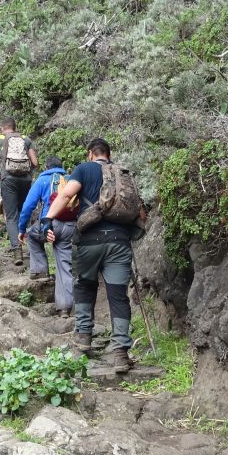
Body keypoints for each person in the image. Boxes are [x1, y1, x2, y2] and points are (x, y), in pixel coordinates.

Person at [43, 138, 136, 373]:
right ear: (109, 153)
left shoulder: (84, 169)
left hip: (88, 242)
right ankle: (120, 354)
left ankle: (83, 339)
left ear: (90, 154)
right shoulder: (122, 173)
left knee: (85, 286)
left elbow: (65, 195)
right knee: (118, 296)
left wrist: (47, 219)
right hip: (119, 242)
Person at [17, 156, 76, 316]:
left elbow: (28, 206)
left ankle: (40, 270)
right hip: (70, 226)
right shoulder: (70, 179)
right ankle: (65, 308)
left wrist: (21, 229)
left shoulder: (43, 180)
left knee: (31, 234)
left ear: (46, 167)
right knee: (64, 264)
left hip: (49, 225)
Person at [0, 118, 38, 264]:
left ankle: (17, 252)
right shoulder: (25, 139)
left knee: (11, 216)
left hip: (8, 180)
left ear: (2, 128)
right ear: (15, 128)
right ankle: (30, 249)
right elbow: (35, 163)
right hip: (26, 180)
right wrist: (27, 173)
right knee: (24, 212)